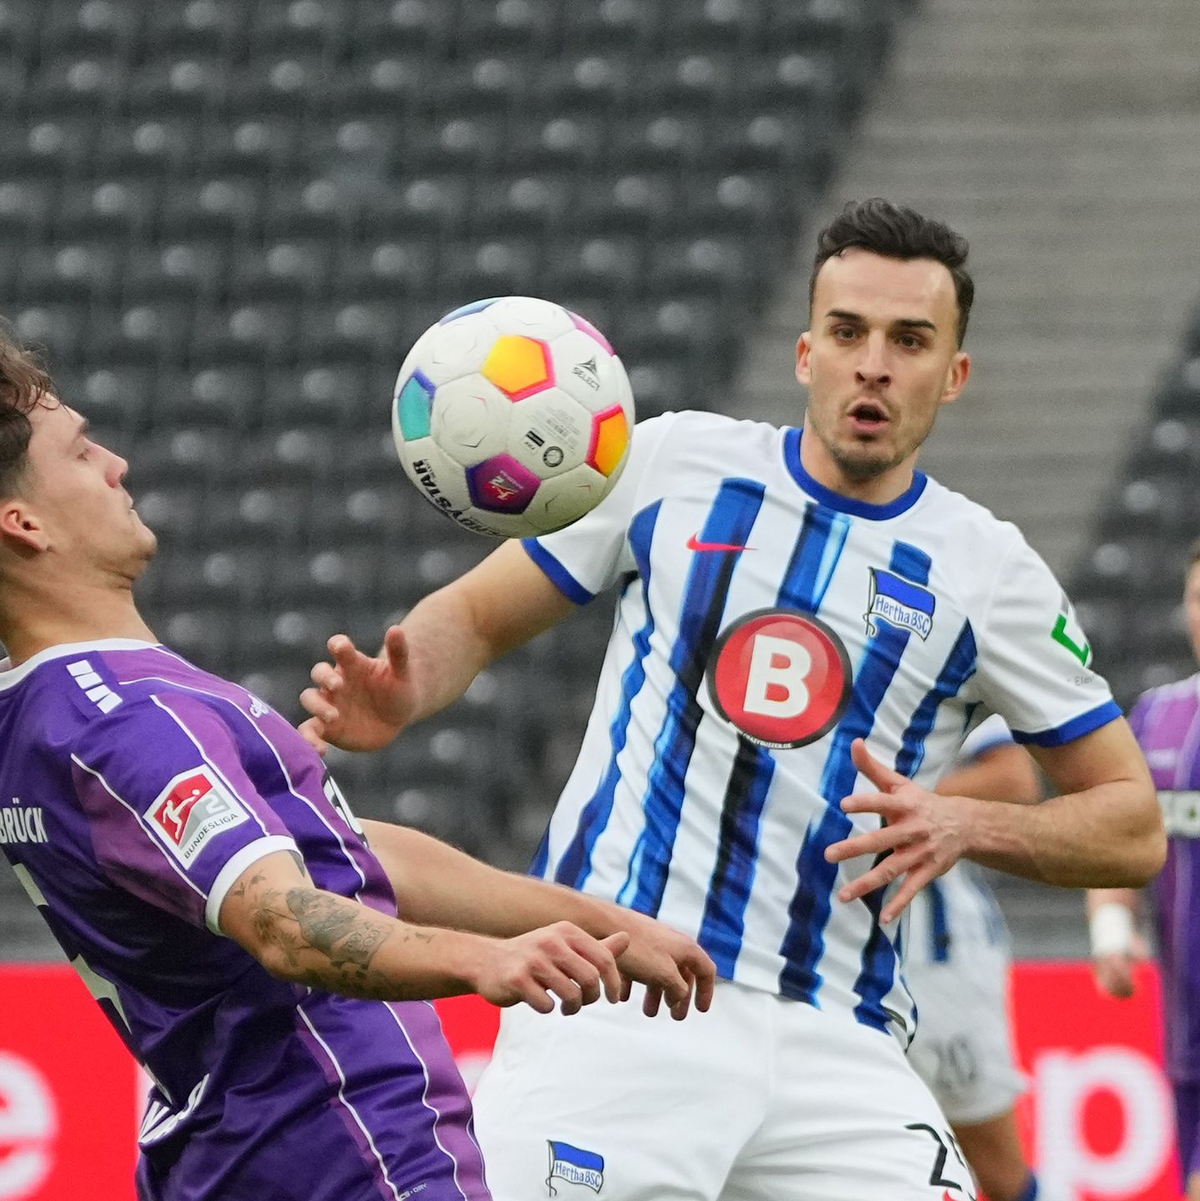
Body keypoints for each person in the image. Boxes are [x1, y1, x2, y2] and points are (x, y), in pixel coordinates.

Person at [300, 198, 1164, 1201]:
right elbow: (480, 617)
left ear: (954, 375)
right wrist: (407, 691)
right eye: (848, 333)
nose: (873, 363)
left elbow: (1133, 823)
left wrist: (967, 820)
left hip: (842, 1039)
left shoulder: (993, 575)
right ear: (806, 354)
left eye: (909, 340)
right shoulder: (671, 464)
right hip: (618, 1003)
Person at [0, 337, 716, 1201]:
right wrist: (481, 961)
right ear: (24, 523)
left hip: (241, 1154)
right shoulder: (128, 718)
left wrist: (594, 919)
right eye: (80, 450)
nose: (115, 462)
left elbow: (347, 851)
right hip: (340, 1141)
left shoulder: (51, 712)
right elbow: (288, 920)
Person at [1089, 539, 1200, 1201]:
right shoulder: (1158, 714)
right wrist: (1110, 926)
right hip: (1184, 1019)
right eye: (1196, 597)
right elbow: (1118, 833)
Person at [905, 716, 1045, 1201]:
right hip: (814, 960)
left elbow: (1013, 777)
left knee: (996, 1166)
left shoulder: (948, 644)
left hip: (936, 961)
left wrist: (896, 803)